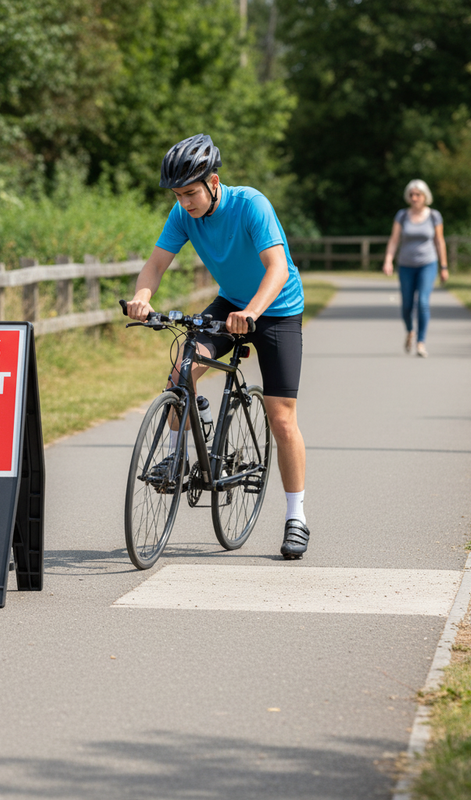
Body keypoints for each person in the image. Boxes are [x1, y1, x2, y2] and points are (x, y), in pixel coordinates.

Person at [126, 133, 309, 560]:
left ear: (214, 181)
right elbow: (156, 264)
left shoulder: (251, 204)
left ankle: (296, 516)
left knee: (281, 417)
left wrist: (254, 313)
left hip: (277, 305)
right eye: (178, 194)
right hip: (230, 302)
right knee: (181, 374)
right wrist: (143, 298)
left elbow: (277, 269)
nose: (185, 202)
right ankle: (174, 459)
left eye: (191, 193)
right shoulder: (183, 214)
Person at [382, 179, 449, 358]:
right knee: (406, 305)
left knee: (423, 302)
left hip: (428, 263)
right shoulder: (402, 216)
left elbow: (439, 241)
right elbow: (394, 239)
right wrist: (388, 260)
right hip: (405, 265)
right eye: (411, 194)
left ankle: (421, 342)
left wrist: (444, 266)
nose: (414, 198)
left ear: (425, 196)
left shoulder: (434, 216)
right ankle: (410, 330)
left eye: (417, 194)